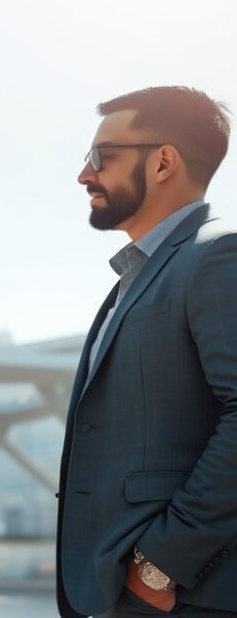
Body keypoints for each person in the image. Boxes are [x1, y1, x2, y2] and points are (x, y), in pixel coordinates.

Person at [59, 86, 237, 617]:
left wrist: (160, 564)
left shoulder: (217, 254)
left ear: (163, 162)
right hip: (121, 587)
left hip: (185, 592)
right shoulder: (133, 279)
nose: (84, 175)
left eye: (101, 157)